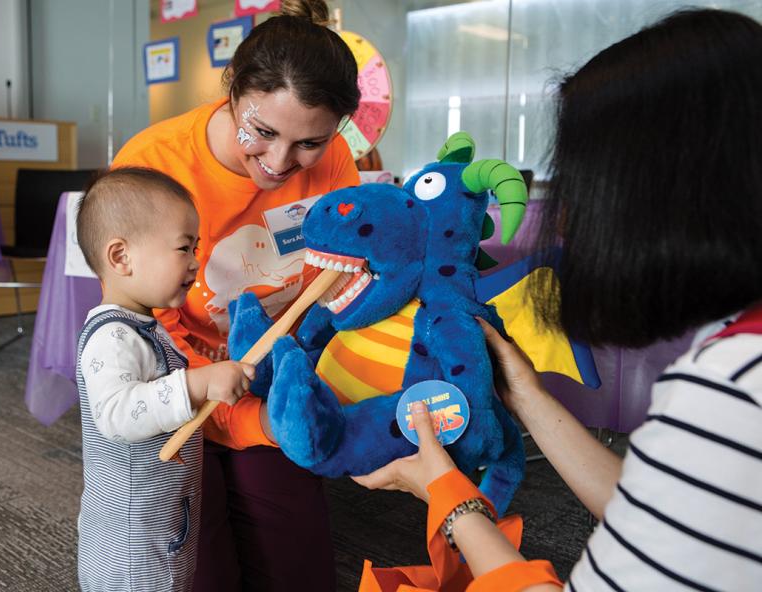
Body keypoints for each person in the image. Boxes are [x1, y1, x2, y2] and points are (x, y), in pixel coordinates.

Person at [353, 8, 762, 591]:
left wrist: (444, 491)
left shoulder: (729, 388)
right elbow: (655, 513)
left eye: (580, 181)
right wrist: (524, 394)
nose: (568, 216)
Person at [110, 0, 361, 589]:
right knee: (199, 568)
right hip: (173, 383)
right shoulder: (153, 165)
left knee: (299, 567)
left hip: (271, 381)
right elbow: (133, 325)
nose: (279, 162)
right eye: (263, 132)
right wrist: (229, 406)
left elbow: (343, 276)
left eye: (309, 144)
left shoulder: (337, 161)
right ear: (230, 90)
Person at [74, 167, 255, 592]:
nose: (196, 262)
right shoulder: (111, 336)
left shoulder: (144, 325)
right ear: (121, 258)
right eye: (183, 248)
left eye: (197, 247)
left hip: (160, 520)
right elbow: (117, 415)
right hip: (131, 545)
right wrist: (198, 384)